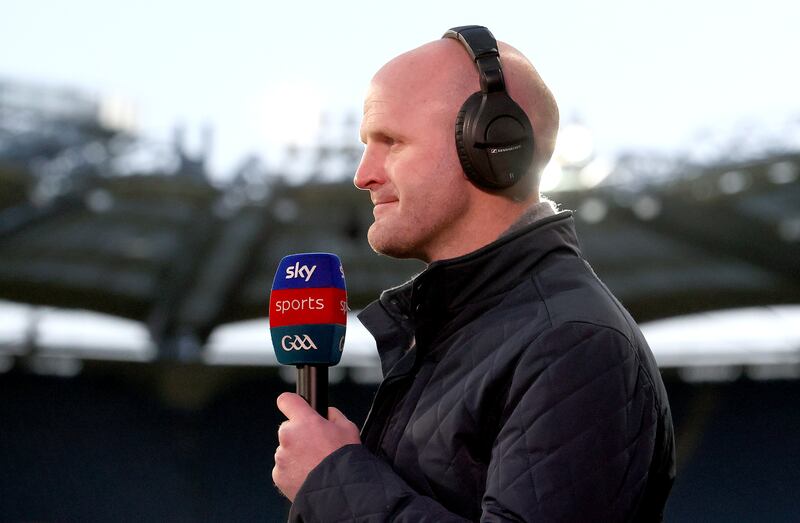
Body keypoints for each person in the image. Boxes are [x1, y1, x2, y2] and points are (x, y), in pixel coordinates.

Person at [273, 26, 675, 522]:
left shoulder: (572, 342)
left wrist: (334, 479)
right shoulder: (465, 332)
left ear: (490, 144)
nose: (364, 174)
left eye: (391, 141)